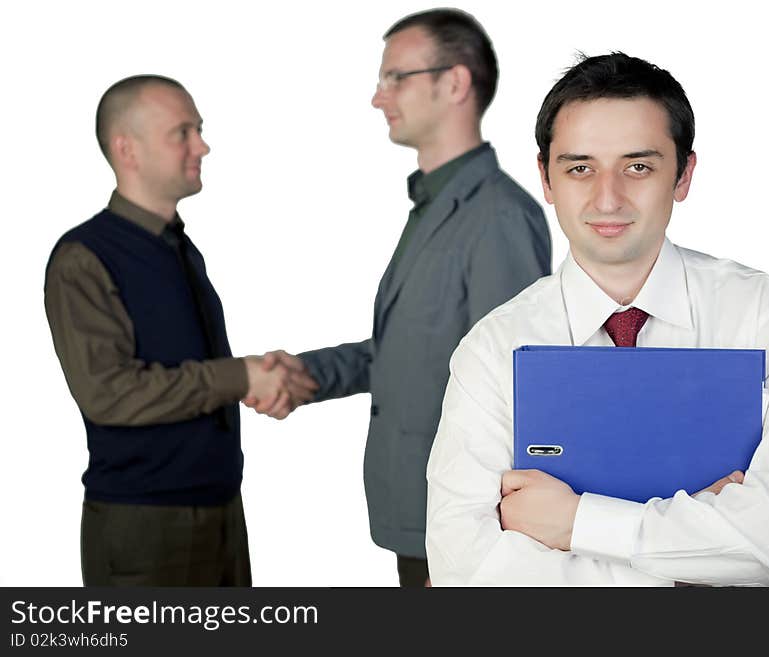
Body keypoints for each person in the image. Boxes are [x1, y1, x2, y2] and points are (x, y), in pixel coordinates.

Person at [425, 52, 769, 586]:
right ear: (546, 181)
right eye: (580, 169)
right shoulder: (493, 347)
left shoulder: (762, 315)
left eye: (638, 166)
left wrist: (574, 523)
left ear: (683, 175)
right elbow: (467, 569)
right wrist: (697, 567)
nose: (608, 198)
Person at [251, 9, 551, 587]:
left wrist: (486, 538)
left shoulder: (498, 217)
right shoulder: (436, 205)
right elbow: (412, 346)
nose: (377, 97)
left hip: (462, 525)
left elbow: (513, 383)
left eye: (396, 77)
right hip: (418, 509)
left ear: (455, 83)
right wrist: (307, 373)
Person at [44, 75, 303, 586]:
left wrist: (261, 375)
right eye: (182, 132)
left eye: (199, 130)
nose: (202, 145)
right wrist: (241, 377)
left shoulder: (178, 248)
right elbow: (108, 393)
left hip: (220, 511)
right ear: (127, 149)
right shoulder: (84, 258)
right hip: (147, 530)